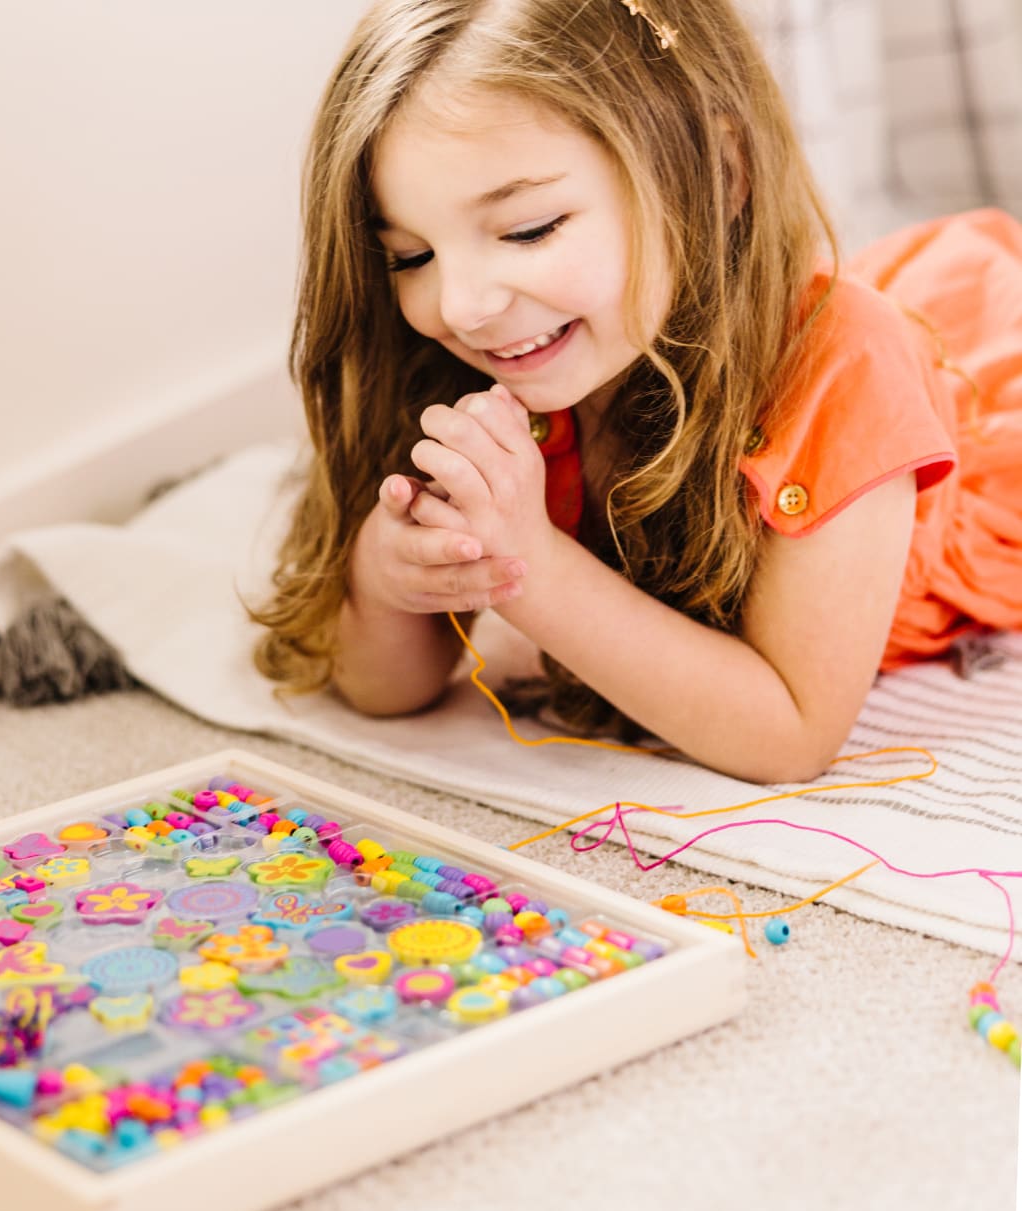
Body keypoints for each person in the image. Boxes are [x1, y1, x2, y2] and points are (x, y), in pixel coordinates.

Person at [250, 0, 1022, 783]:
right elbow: (387, 693)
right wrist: (386, 584)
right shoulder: (452, 363)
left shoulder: (843, 371)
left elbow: (790, 736)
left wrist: (536, 571)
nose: (460, 306)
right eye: (411, 256)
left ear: (719, 175)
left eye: (528, 229)